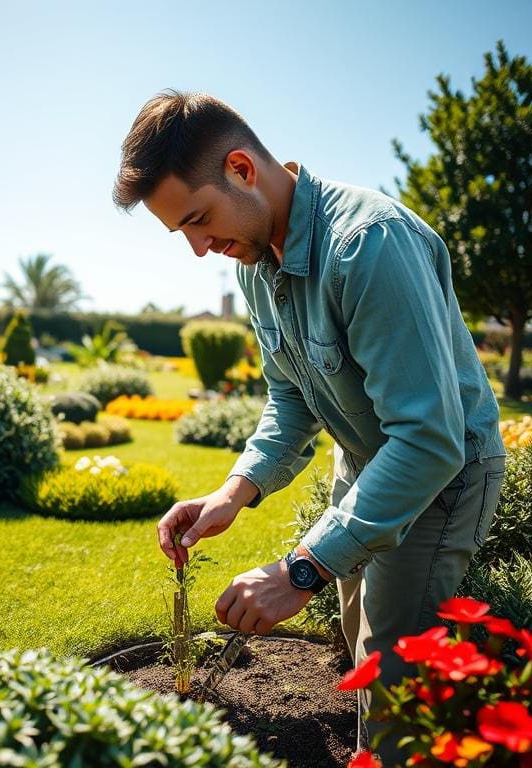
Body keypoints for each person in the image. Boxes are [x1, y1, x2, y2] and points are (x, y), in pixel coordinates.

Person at [113, 90, 506, 763]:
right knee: (358, 649)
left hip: (440, 481)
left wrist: (300, 570)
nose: (201, 249)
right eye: (183, 233)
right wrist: (233, 492)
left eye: (199, 220)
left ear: (242, 169)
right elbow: (291, 398)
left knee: (390, 682)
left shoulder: (369, 244)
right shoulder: (254, 264)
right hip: (364, 464)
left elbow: (428, 438)